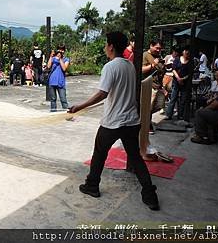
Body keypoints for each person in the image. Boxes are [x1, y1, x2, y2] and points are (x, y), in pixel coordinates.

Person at [68, 32, 159, 211]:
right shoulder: (130, 66)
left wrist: (80, 106)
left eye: (105, 44)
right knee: (136, 157)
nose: (104, 48)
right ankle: (150, 195)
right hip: (131, 121)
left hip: (113, 122)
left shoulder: (110, 67)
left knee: (100, 153)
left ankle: (92, 185)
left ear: (111, 46)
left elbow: (103, 93)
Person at [191, 68, 218, 144]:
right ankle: (213, 135)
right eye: (215, 76)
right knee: (207, 111)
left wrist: (204, 110)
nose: (216, 78)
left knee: (199, 112)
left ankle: (202, 137)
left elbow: (214, 105)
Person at [142, 40, 167, 132]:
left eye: (160, 48)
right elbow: (141, 69)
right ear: (151, 46)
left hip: (158, 85)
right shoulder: (145, 55)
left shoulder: (159, 56)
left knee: (159, 105)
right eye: (157, 48)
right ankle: (146, 124)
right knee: (149, 107)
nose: (158, 50)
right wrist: (153, 65)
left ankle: (146, 121)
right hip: (149, 85)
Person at [165, 47, 192, 121]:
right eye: (185, 50)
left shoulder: (190, 62)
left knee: (183, 100)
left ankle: (180, 115)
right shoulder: (177, 59)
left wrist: (182, 79)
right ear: (183, 51)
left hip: (185, 83)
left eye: (188, 51)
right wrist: (178, 78)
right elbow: (173, 69)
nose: (186, 52)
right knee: (173, 98)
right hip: (176, 82)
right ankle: (169, 114)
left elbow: (189, 73)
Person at [47, 45, 69, 112]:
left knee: (63, 99)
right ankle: (53, 113)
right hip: (52, 81)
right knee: (53, 99)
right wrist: (51, 56)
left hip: (60, 82)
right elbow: (48, 66)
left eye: (62, 50)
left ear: (64, 51)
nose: (60, 51)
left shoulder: (66, 59)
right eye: (59, 49)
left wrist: (60, 59)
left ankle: (67, 114)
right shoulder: (53, 58)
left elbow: (64, 68)